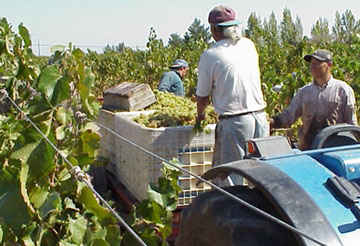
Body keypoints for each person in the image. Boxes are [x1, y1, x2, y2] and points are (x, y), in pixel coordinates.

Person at [196, 5, 269, 186]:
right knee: (260, 174)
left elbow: (202, 95)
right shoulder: (248, 45)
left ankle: (232, 210)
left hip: (235, 121)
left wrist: (200, 116)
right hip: (260, 117)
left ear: (213, 29)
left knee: (230, 175)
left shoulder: (211, 55)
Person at [269, 49, 357, 150]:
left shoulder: (343, 90)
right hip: (309, 149)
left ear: (329, 65)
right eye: (311, 63)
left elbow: (352, 124)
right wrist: (272, 122)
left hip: (335, 149)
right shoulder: (304, 92)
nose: (312, 66)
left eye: (318, 63)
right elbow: (289, 116)